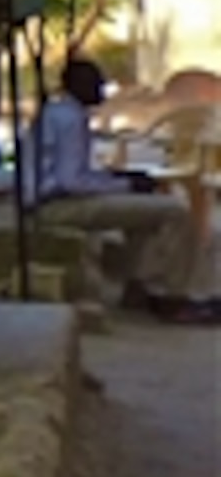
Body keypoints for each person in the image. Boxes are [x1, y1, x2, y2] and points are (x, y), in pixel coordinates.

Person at [23, 56, 203, 319]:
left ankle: (136, 284)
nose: (100, 91)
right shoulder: (71, 119)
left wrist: (117, 178)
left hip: (47, 200)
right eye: (95, 84)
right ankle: (173, 295)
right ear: (78, 86)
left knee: (142, 217)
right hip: (56, 206)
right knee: (175, 211)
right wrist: (124, 184)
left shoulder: (57, 112)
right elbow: (71, 182)